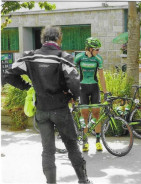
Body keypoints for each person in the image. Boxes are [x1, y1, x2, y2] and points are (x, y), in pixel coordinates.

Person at [4, 25, 92, 184]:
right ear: (59, 38)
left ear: (42, 39)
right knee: (72, 145)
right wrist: (74, 96)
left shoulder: (30, 57)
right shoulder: (63, 57)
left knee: (48, 151)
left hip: (42, 110)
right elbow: (74, 82)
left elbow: (9, 75)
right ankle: (83, 180)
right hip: (60, 109)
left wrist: (28, 87)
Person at [74, 37, 108, 152]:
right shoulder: (79, 58)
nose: (98, 51)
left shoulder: (98, 59)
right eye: (96, 49)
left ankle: (98, 141)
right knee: (84, 114)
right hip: (82, 88)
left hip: (94, 87)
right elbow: (72, 75)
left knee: (96, 114)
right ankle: (85, 141)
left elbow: (101, 77)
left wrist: (105, 92)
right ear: (89, 49)